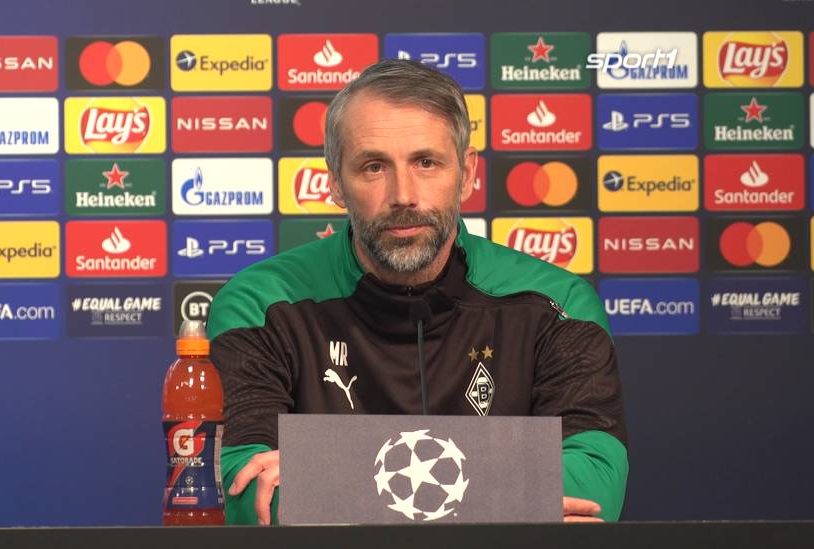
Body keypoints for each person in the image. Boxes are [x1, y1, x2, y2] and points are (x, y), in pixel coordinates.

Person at [206, 59, 627, 525]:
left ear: (466, 173)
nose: (403, 194)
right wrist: (517, 494)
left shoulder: (557, 303)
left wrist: (325, 474)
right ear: (336, 183)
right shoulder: (260, 302)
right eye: (373, 166)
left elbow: (593, 486)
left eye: (426, 163)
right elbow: (250, 497)